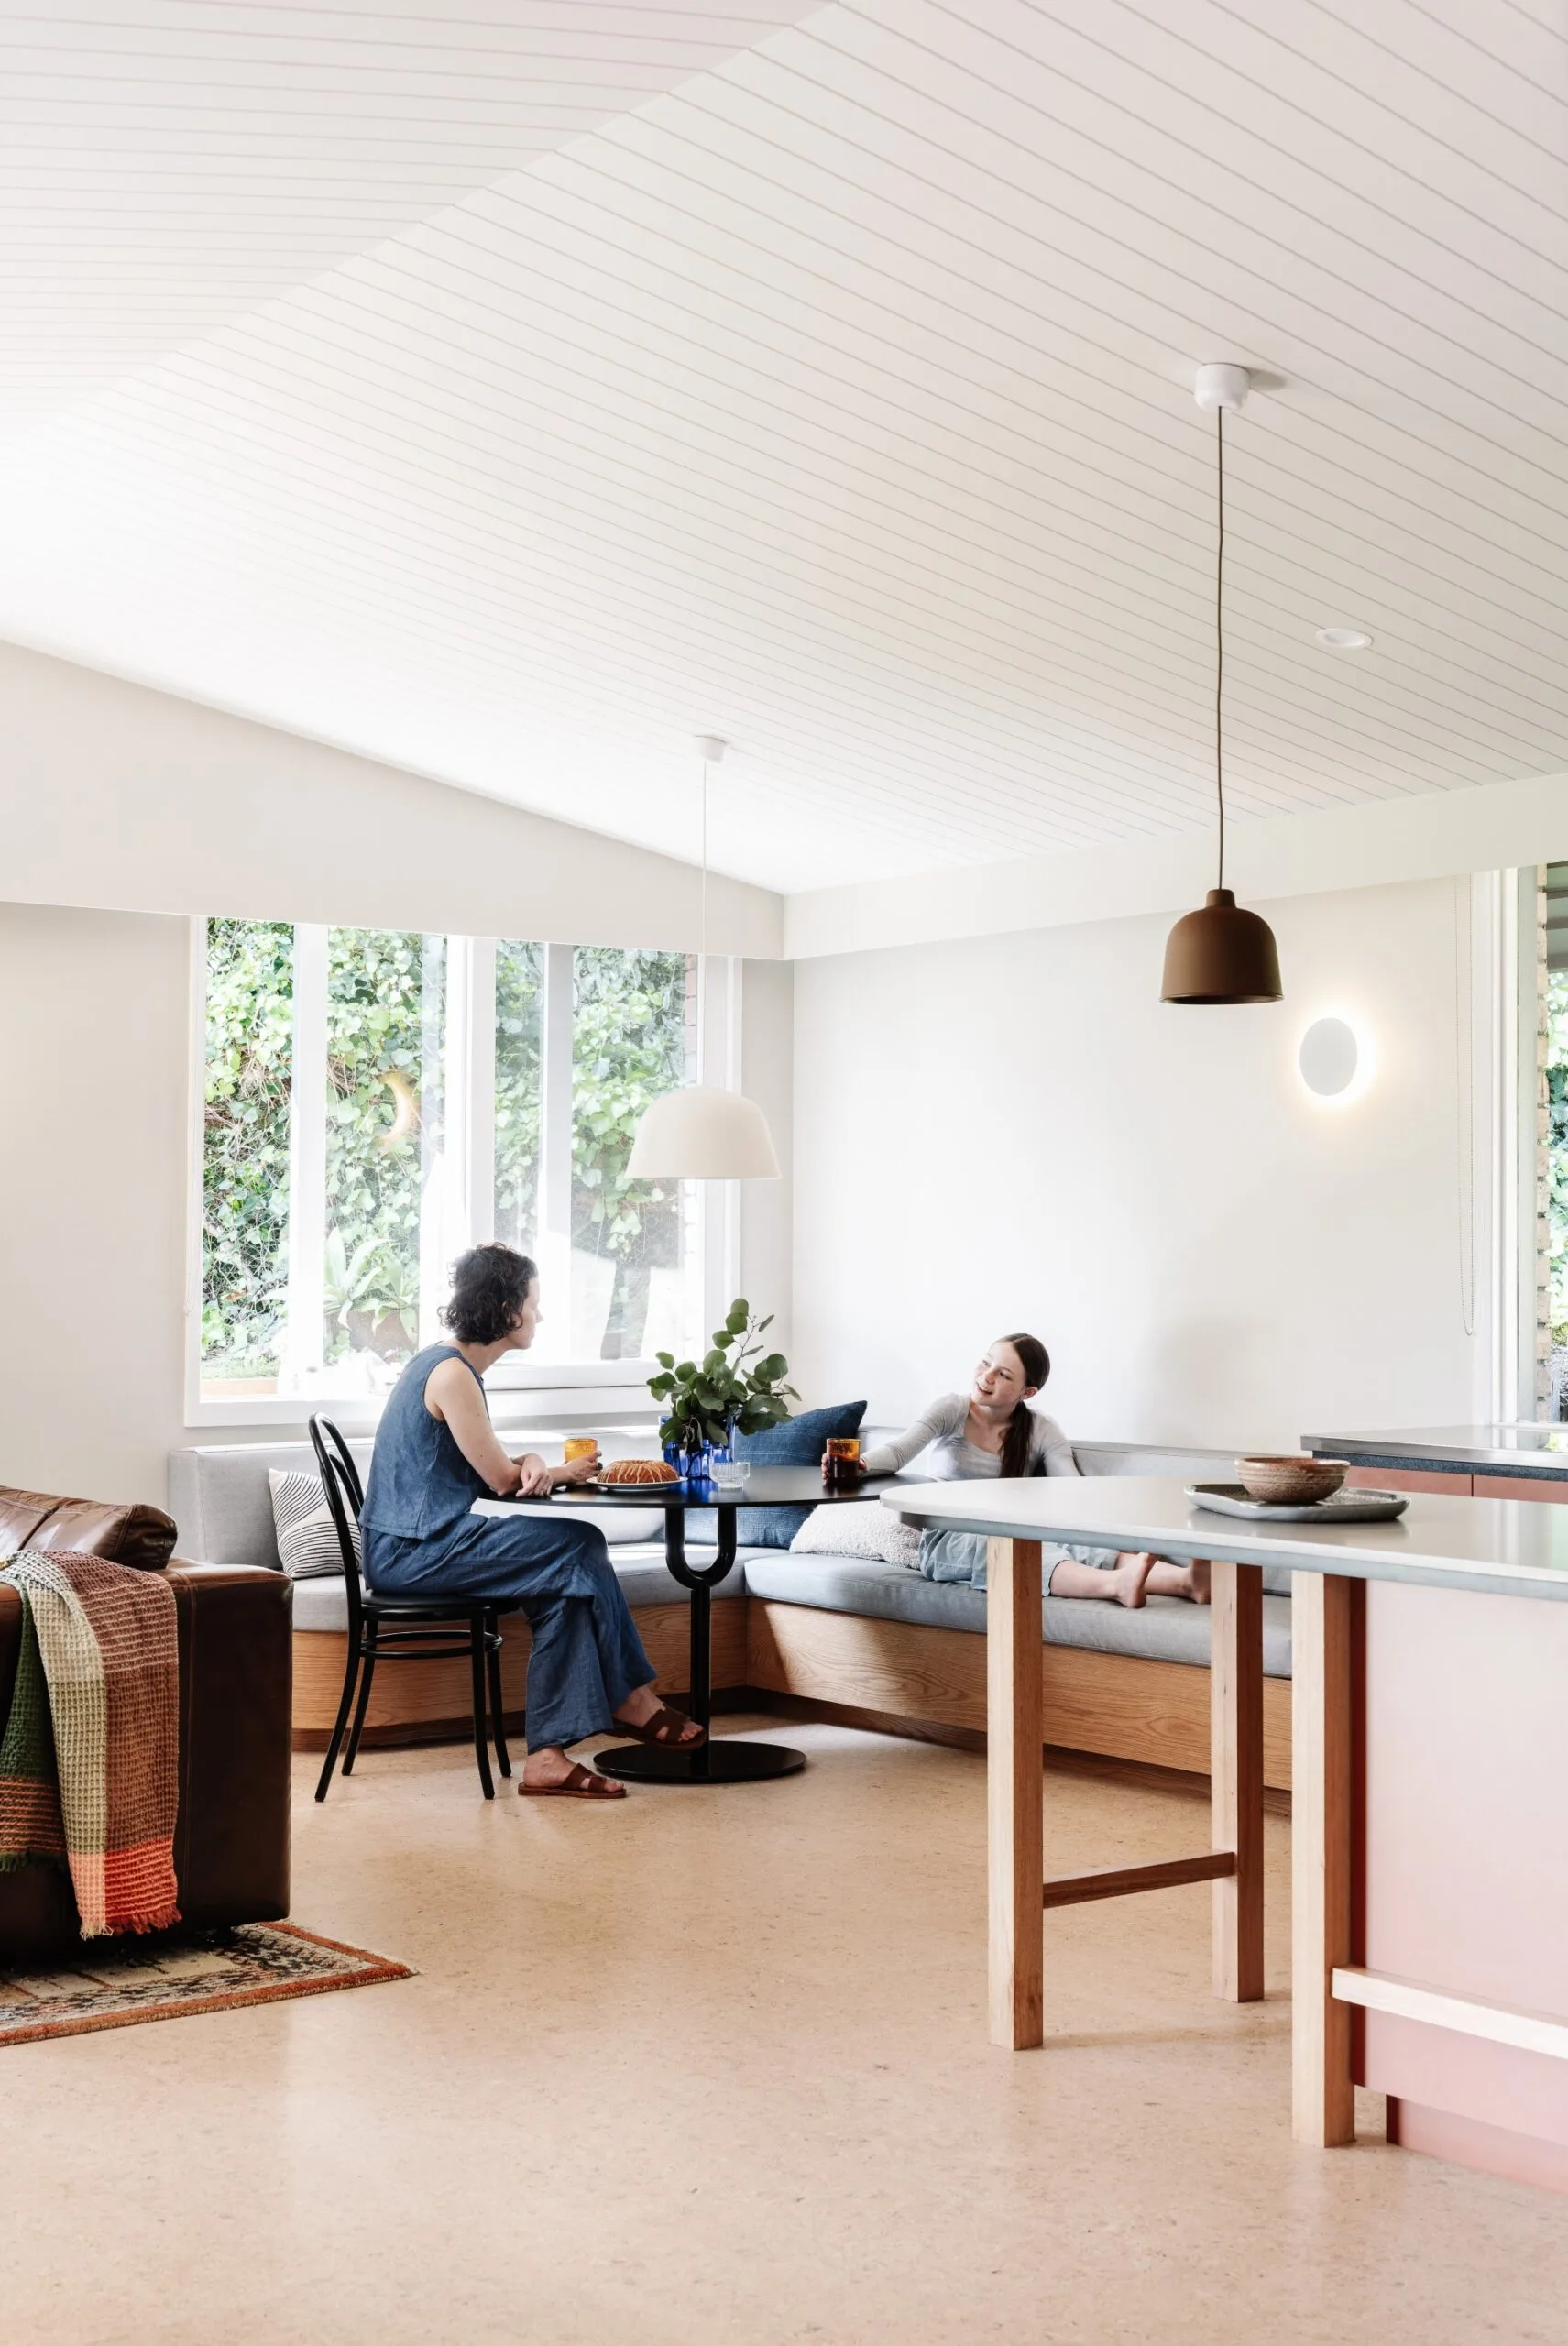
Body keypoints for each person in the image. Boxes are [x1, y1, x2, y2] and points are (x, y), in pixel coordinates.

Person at [360, 1242, 703, 1799]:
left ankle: (547, 1758)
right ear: (505, 1309)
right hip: (414, 1552)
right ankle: (633, 1698)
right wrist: (552, 1470)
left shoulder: (448, 1366)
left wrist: (542, 1464)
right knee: (579, 1541)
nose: (539, 1316)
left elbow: (491, 1466)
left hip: (423, 1543)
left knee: (565, 1589)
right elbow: (500, 1480)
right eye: (533, 1304)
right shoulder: (452, 1375)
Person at [859, 1335, 1209, 1606]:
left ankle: (1186, 1582)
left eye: (1003, 1374)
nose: (987, 1376)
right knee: (1018, 1549)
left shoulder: (1041, 1429)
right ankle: (1115, 1586)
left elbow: (1074, 1492)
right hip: (949, 1536)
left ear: (1027, 1391)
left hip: (1015, 1526)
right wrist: (859, 1465)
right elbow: (899, 1450)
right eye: (986, 1363)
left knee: (1072, 1543)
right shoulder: (952, 1409)